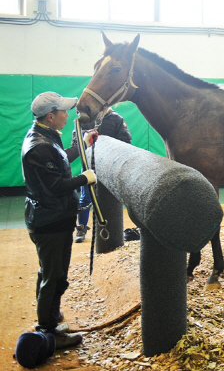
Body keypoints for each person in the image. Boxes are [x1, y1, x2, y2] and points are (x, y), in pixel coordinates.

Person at [21, 91, 98, 349]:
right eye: (64, 111)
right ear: (51, 116)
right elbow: (55, 185)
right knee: (53, 277)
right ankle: (48, 331)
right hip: (50, 221)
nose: (68, 114)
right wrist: (84, 178)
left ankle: (50, 319)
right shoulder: (40, 146)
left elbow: (59, 160)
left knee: (50, 273)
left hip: (53, 218)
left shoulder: (45, 137)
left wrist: (83, 145)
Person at [71, 107, 131, 243]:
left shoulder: (116, 119)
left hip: (110, 167)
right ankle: (81, 228)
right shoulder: (84, 120)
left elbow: (126, 142)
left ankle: (113, 229)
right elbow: (76, 143)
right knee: (86, 198)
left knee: (112, 199)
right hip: (89, 166)